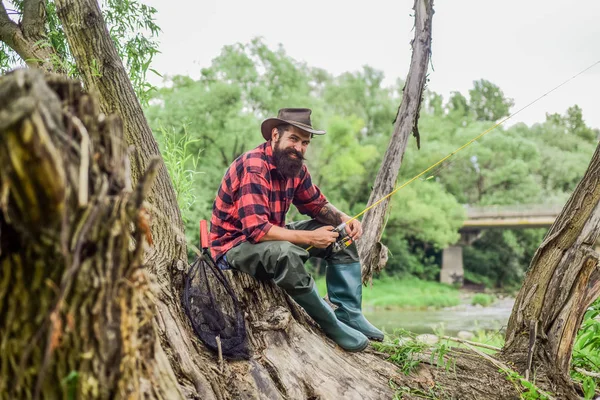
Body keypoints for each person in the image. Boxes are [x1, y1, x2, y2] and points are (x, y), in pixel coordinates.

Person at [209, 108, 384, 352]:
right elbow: (256, 230)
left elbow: (317, 204)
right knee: (286, 255)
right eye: (293, 139)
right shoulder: (254, 166)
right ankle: (331, 325)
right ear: (275, 135)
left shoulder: (295, 168)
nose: (299, 148)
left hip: (269, 238)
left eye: (305, 143)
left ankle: (349, 314)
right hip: (233, 247)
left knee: (339, 234)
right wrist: (310, 237)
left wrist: (344, 219)